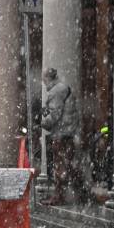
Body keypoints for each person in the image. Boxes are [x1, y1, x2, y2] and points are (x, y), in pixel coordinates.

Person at [40, 68, 79, 205]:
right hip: (67, 131)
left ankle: (59, 196)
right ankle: (75, 193)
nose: (44, 84)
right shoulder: (62, 88)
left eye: (44, 80)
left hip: (61, 133)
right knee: (67, 163)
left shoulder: (56, 91)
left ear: (48, 79)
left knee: (59, 164)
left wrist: (42, 122)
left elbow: (54, 114)